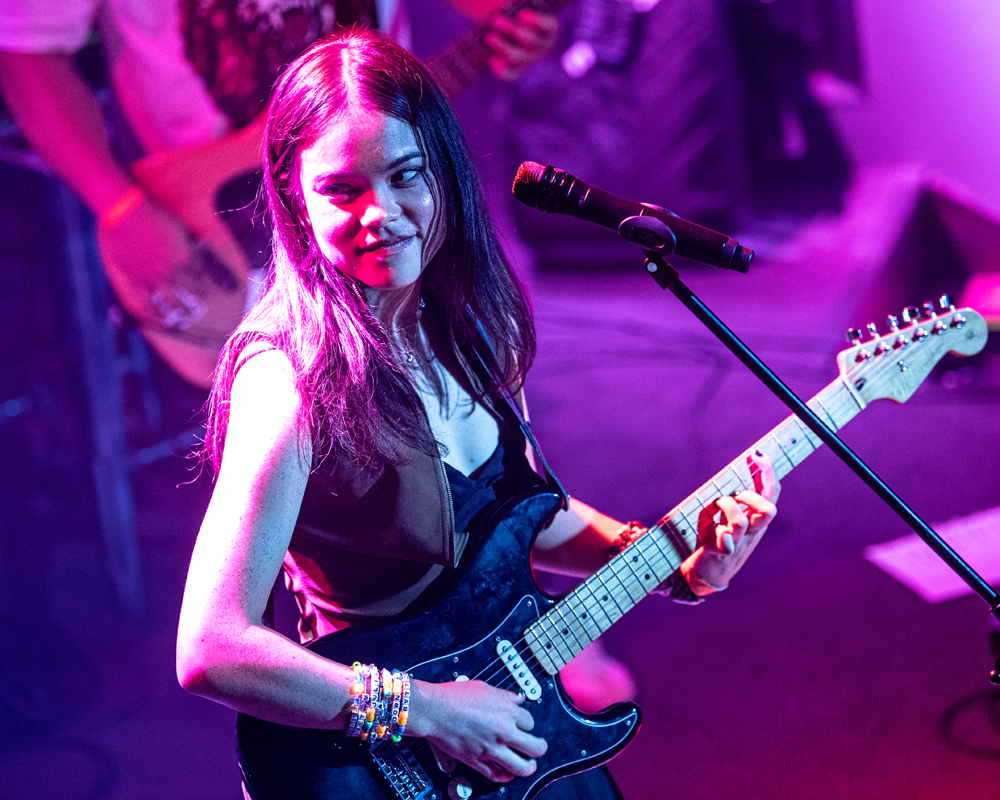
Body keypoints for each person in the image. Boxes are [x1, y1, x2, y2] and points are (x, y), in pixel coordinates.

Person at [175, 29, 780, 798]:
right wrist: (424, 711)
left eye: (406, 176)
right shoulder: (287, 379)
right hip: (386, 762)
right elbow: (212, 647)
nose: (381, 213)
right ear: (296, 198)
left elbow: (518, 517)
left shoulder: (474, 325)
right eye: (341, 190)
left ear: (445, 171)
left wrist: (674, 564)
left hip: (501, 731)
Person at [0, 0, 558, 386]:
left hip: (384, 211)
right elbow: (25, 51)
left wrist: (516, 26)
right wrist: (120, 207)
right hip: (219, 230)